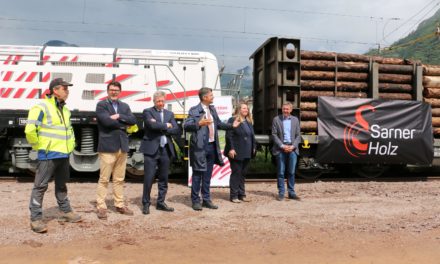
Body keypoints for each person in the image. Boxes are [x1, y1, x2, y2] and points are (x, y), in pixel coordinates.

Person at [25, 78, 82, 233]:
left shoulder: (65, 110)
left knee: (62, 184)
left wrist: (71, 146)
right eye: (65, 88)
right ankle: (36, 219)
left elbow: (68, 131)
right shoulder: (41, 106)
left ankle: (66, 211)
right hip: (49, 154)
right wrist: (39, 147)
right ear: (55, 90)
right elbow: (30, 130)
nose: (67, 91)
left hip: (63, 154)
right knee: (40, 186)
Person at [184, 87, 239, 211]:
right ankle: (195, 201)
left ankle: (206, 200)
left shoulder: (212, 109)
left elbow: (219, 124)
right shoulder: (194, 110)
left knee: (208, 176)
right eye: (211, 95)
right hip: (199, 148)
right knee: (198, 175)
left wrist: (232, 126)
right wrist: (199, 124)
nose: (213, 97)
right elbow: (186, 125)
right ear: (204, 97)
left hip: (211, 146)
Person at [95, 81, 137, 219]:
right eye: (111, 90)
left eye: (116, 90)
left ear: (120, 92)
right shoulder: (101, 105)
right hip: (107, 146)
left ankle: (119, 204)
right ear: (107, 91)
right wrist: (123, 123)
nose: (114, 92)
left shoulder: (124, 106)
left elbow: (133, 120)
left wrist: (119, 116)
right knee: (104, 178)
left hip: (122, 146)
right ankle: (101, 205)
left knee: (119, 179)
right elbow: (105, 122)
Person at [139, 91, 181, 215]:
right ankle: (146, 203)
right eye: (158, 101)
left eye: (162, 101)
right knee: (149, 177)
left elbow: (176, 129)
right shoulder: (147, 111)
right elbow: (151, 126)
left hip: (165, 150)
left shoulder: (170, 113)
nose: (161, 103)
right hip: (151, 149)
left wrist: (160, 126)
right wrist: (166, 126)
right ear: (154, 101)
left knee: (164, 178)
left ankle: (161, 202)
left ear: (165, 101)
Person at [224, 103, 257, 203]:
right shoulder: (232, 119)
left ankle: (241, 194)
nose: (246, 110)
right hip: (236, 152)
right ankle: (234, 196)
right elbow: (229, 135)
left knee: (243, 174)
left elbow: (252, 136)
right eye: (243, 108)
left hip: (247, 151)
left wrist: (254, 147)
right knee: (236, 173)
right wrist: (231, 149)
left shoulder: (249, 121)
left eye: (247, 108)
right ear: (239, 109)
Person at [271, 102, 301, 201]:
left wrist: (292, 146)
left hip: (292, 149)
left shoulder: (295, 120)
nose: (285, 111)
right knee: (281, 172)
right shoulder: (276, 119)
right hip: (281, 149)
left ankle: (291, 192)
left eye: (287, 109)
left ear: (291, 110)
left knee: (291, 172)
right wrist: (282, 146)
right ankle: (281, 193)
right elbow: (274, 135)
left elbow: (298, 136)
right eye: (284, 109)